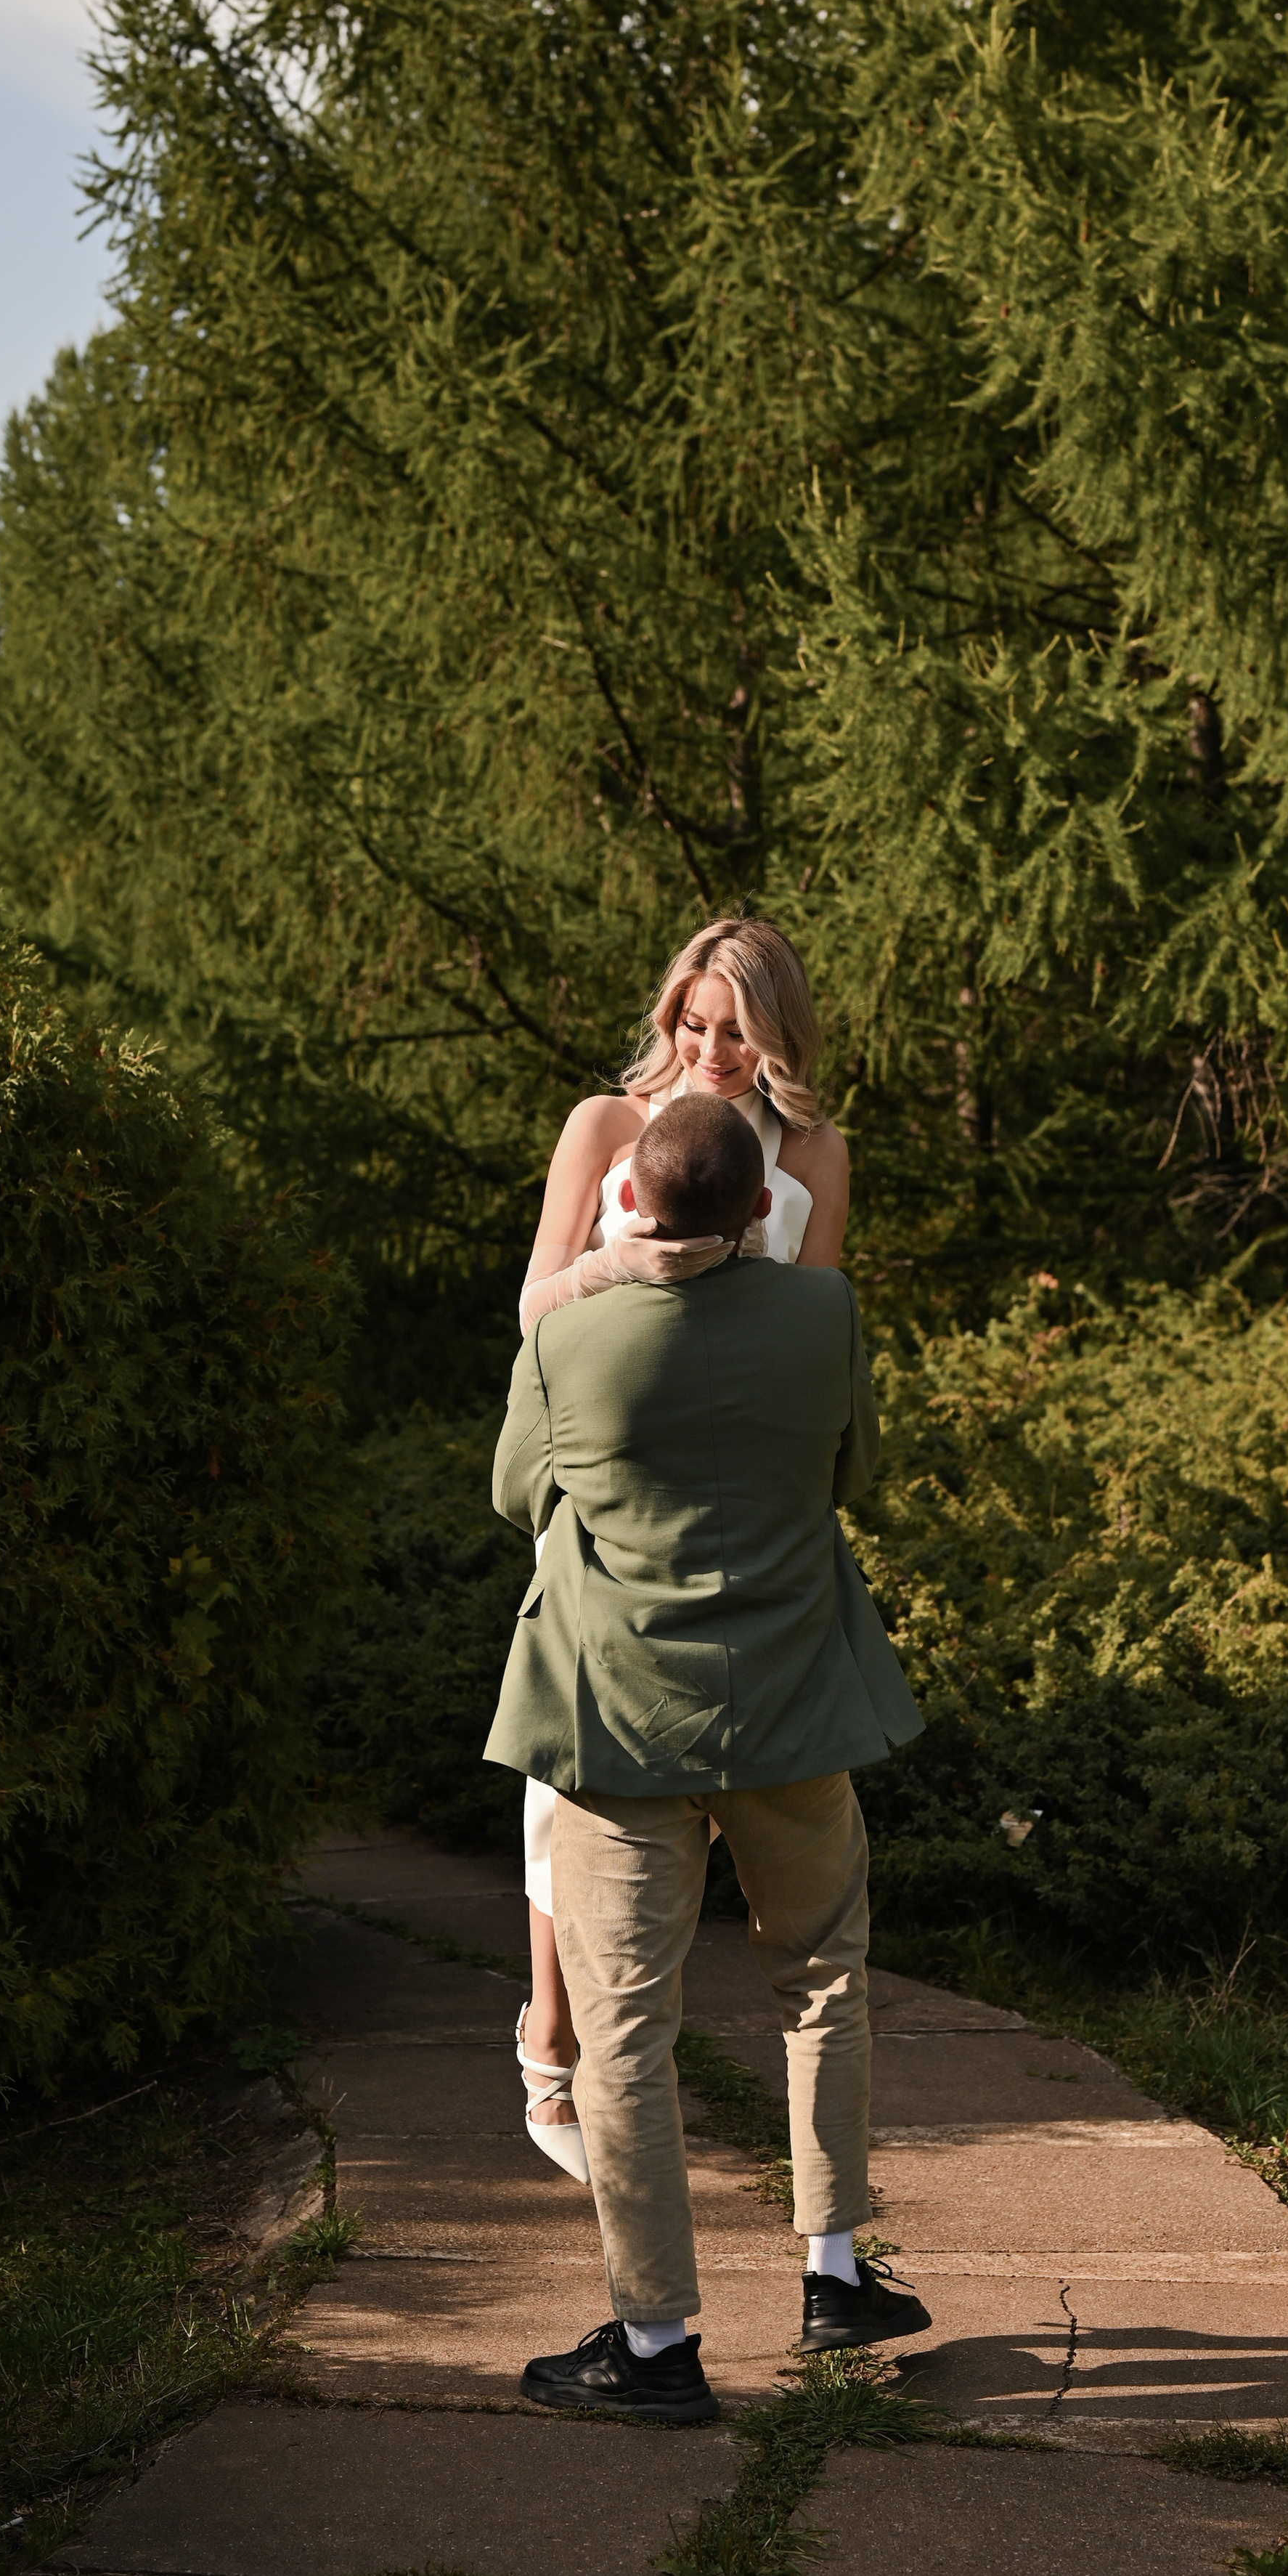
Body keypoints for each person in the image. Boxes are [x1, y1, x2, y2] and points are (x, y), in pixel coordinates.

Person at [486, 1092, 928, 2423]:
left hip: (620, 1721)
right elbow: (854, 1471)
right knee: (824, 1975)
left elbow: (517, 1493)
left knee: (625, 2025)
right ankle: (835, 2273)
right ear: (757, 1210)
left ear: (628, 1198)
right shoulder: (823, 1313)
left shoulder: (569, 1335)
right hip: (792, 1705)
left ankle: (657, 2342)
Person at [510, 918, 850, 2181]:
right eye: (693, 1023)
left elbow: (817, 1323)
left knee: (713, 1801)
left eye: (737, 1031)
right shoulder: (605, 1125)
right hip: (617, 1484)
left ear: (778, 1036)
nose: (711, 1050)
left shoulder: (814, 1154)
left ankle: (635, 2041)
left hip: (745, 1511)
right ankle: (553, 2035)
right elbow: (534, 1304)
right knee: (569, 1775)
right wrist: (622, 1264)